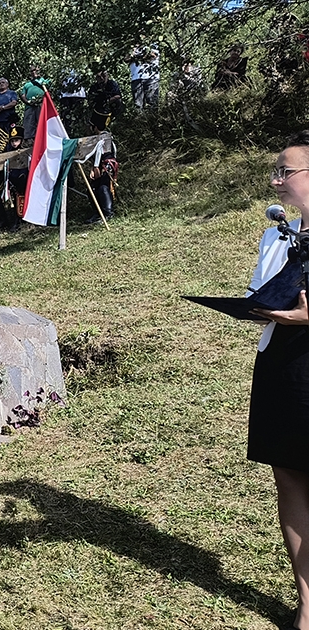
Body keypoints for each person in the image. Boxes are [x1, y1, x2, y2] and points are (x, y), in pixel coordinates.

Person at [244, 130, 309, 630]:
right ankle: (308, 602)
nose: (275, 181)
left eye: (285, 171)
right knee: (288, 472)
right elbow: (259, 296)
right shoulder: (279, 234)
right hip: (281, 362)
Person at [18, 65, 50, 145]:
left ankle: (44, 139)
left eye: (35, 70)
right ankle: (30, 140)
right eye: (32, 71)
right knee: (29, 122)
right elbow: (22, 95)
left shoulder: (45, 81)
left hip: (42, 105)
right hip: (29, 106)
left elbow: (51, 91)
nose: (34, 72)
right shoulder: (27, 84)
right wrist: (28, 102)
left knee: (42, 121)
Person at [87, 67, 123, 133]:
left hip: (111, 109)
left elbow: (118, 95)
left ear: (107, 76)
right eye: (99, 77)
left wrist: (108, 101)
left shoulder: (112, 84)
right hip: (98, 110)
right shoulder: (94, 87)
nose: (102, 79)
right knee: (91, 126)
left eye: (103, 76)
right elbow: (90, 99)